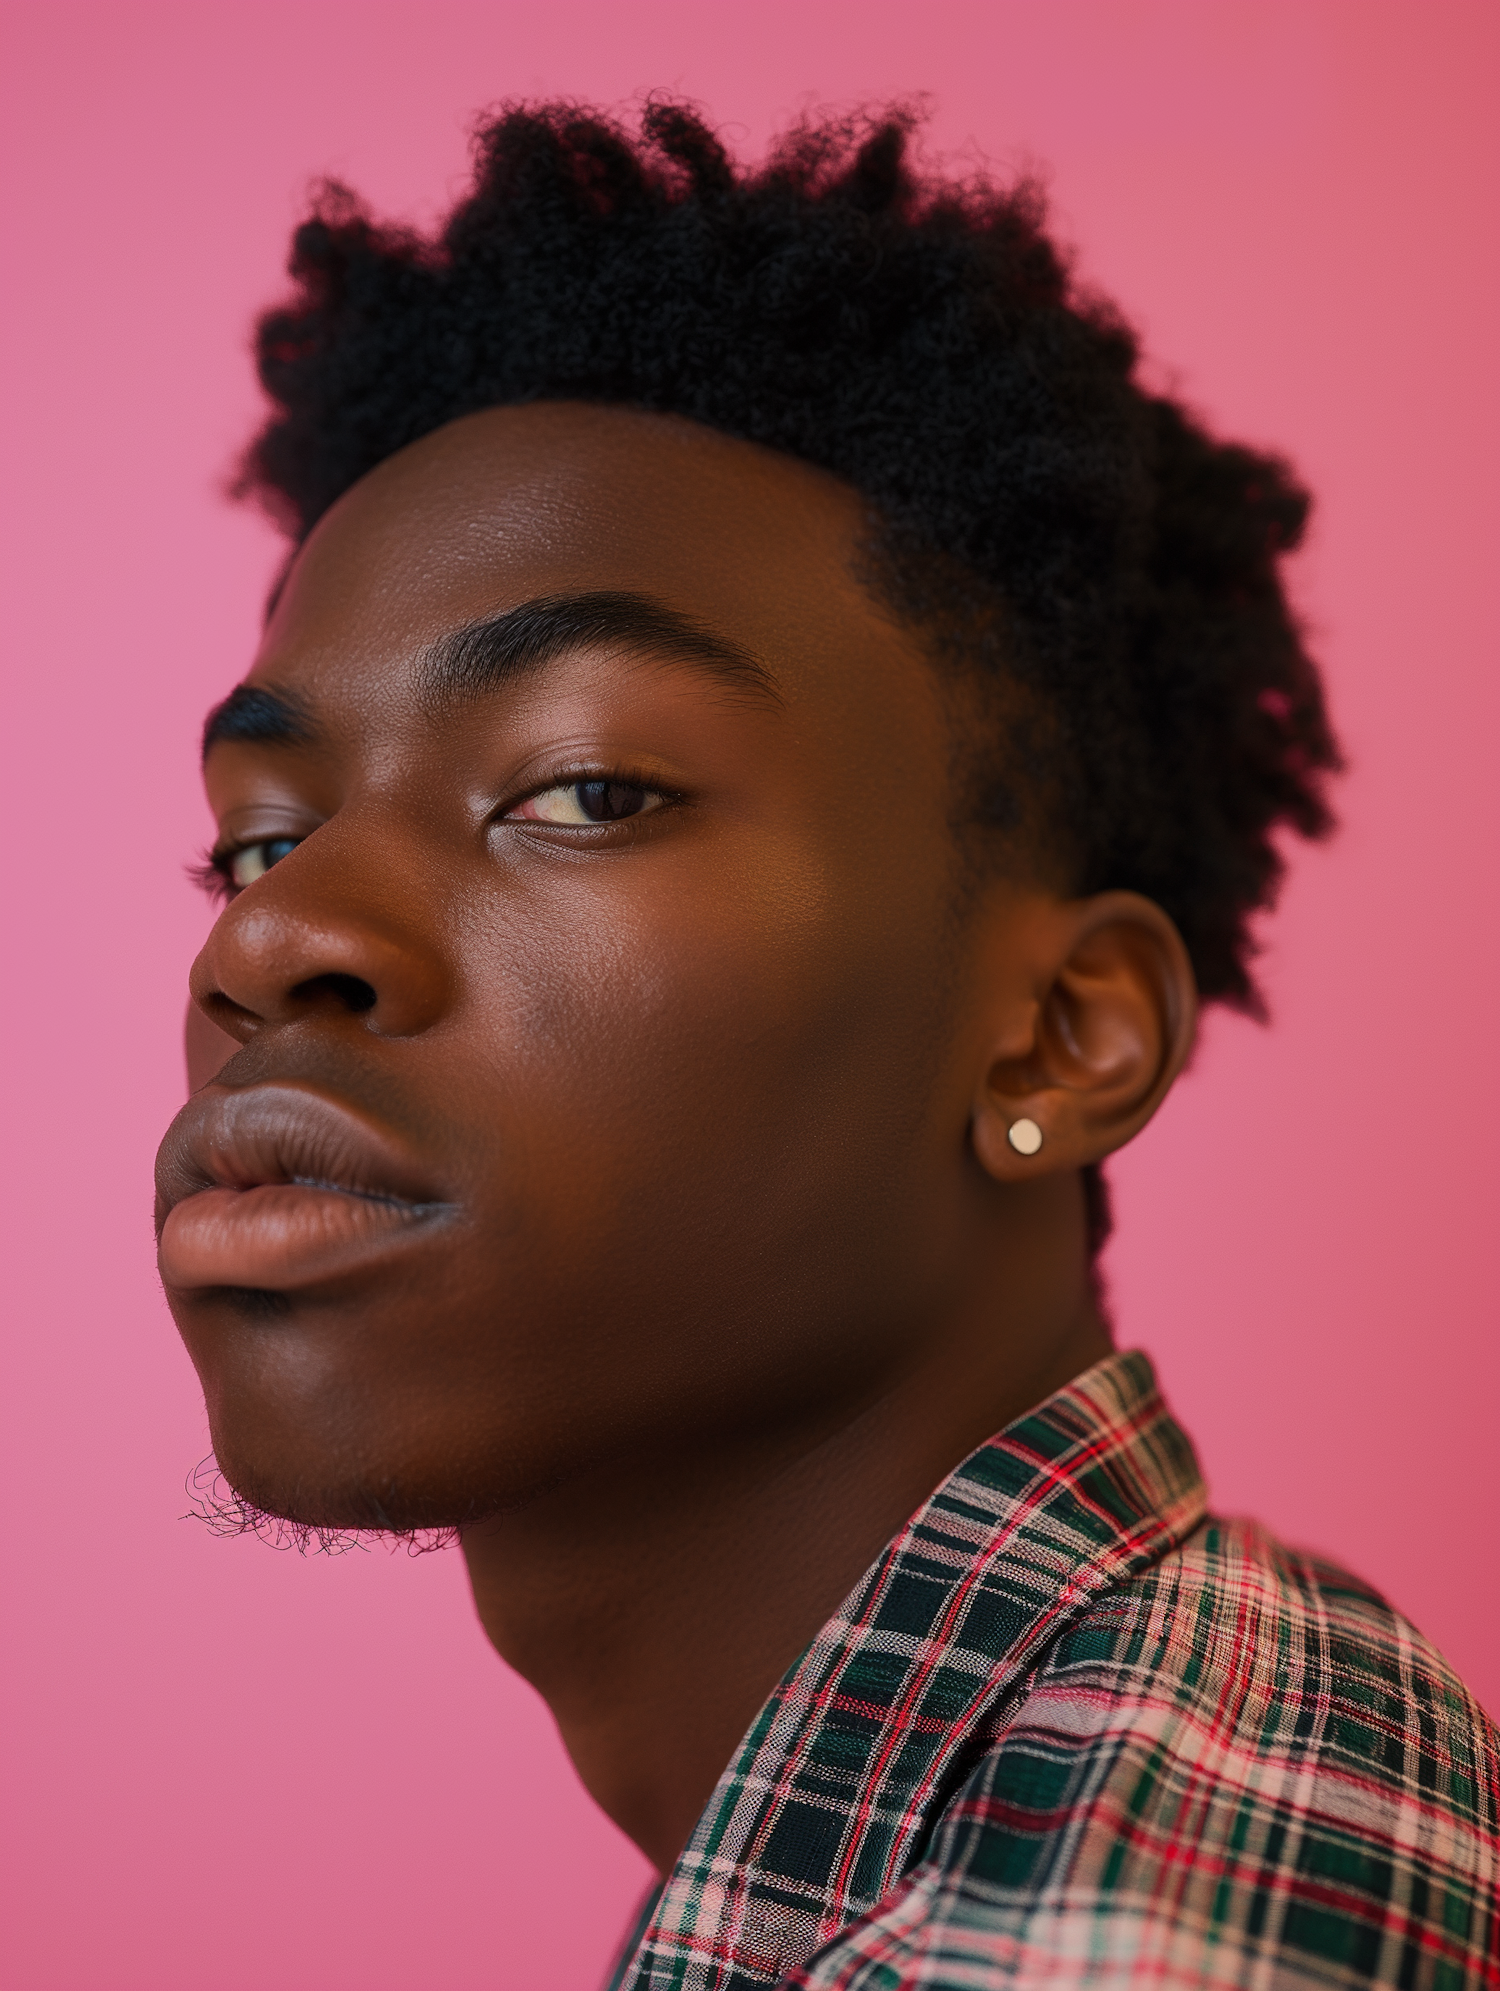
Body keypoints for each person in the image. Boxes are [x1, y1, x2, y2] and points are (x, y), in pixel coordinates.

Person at [155, 102, 1498, 1986]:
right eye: (261, 837)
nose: (275, 938)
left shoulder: (1116, 1927)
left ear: (1056, 1034)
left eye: (588, 785)